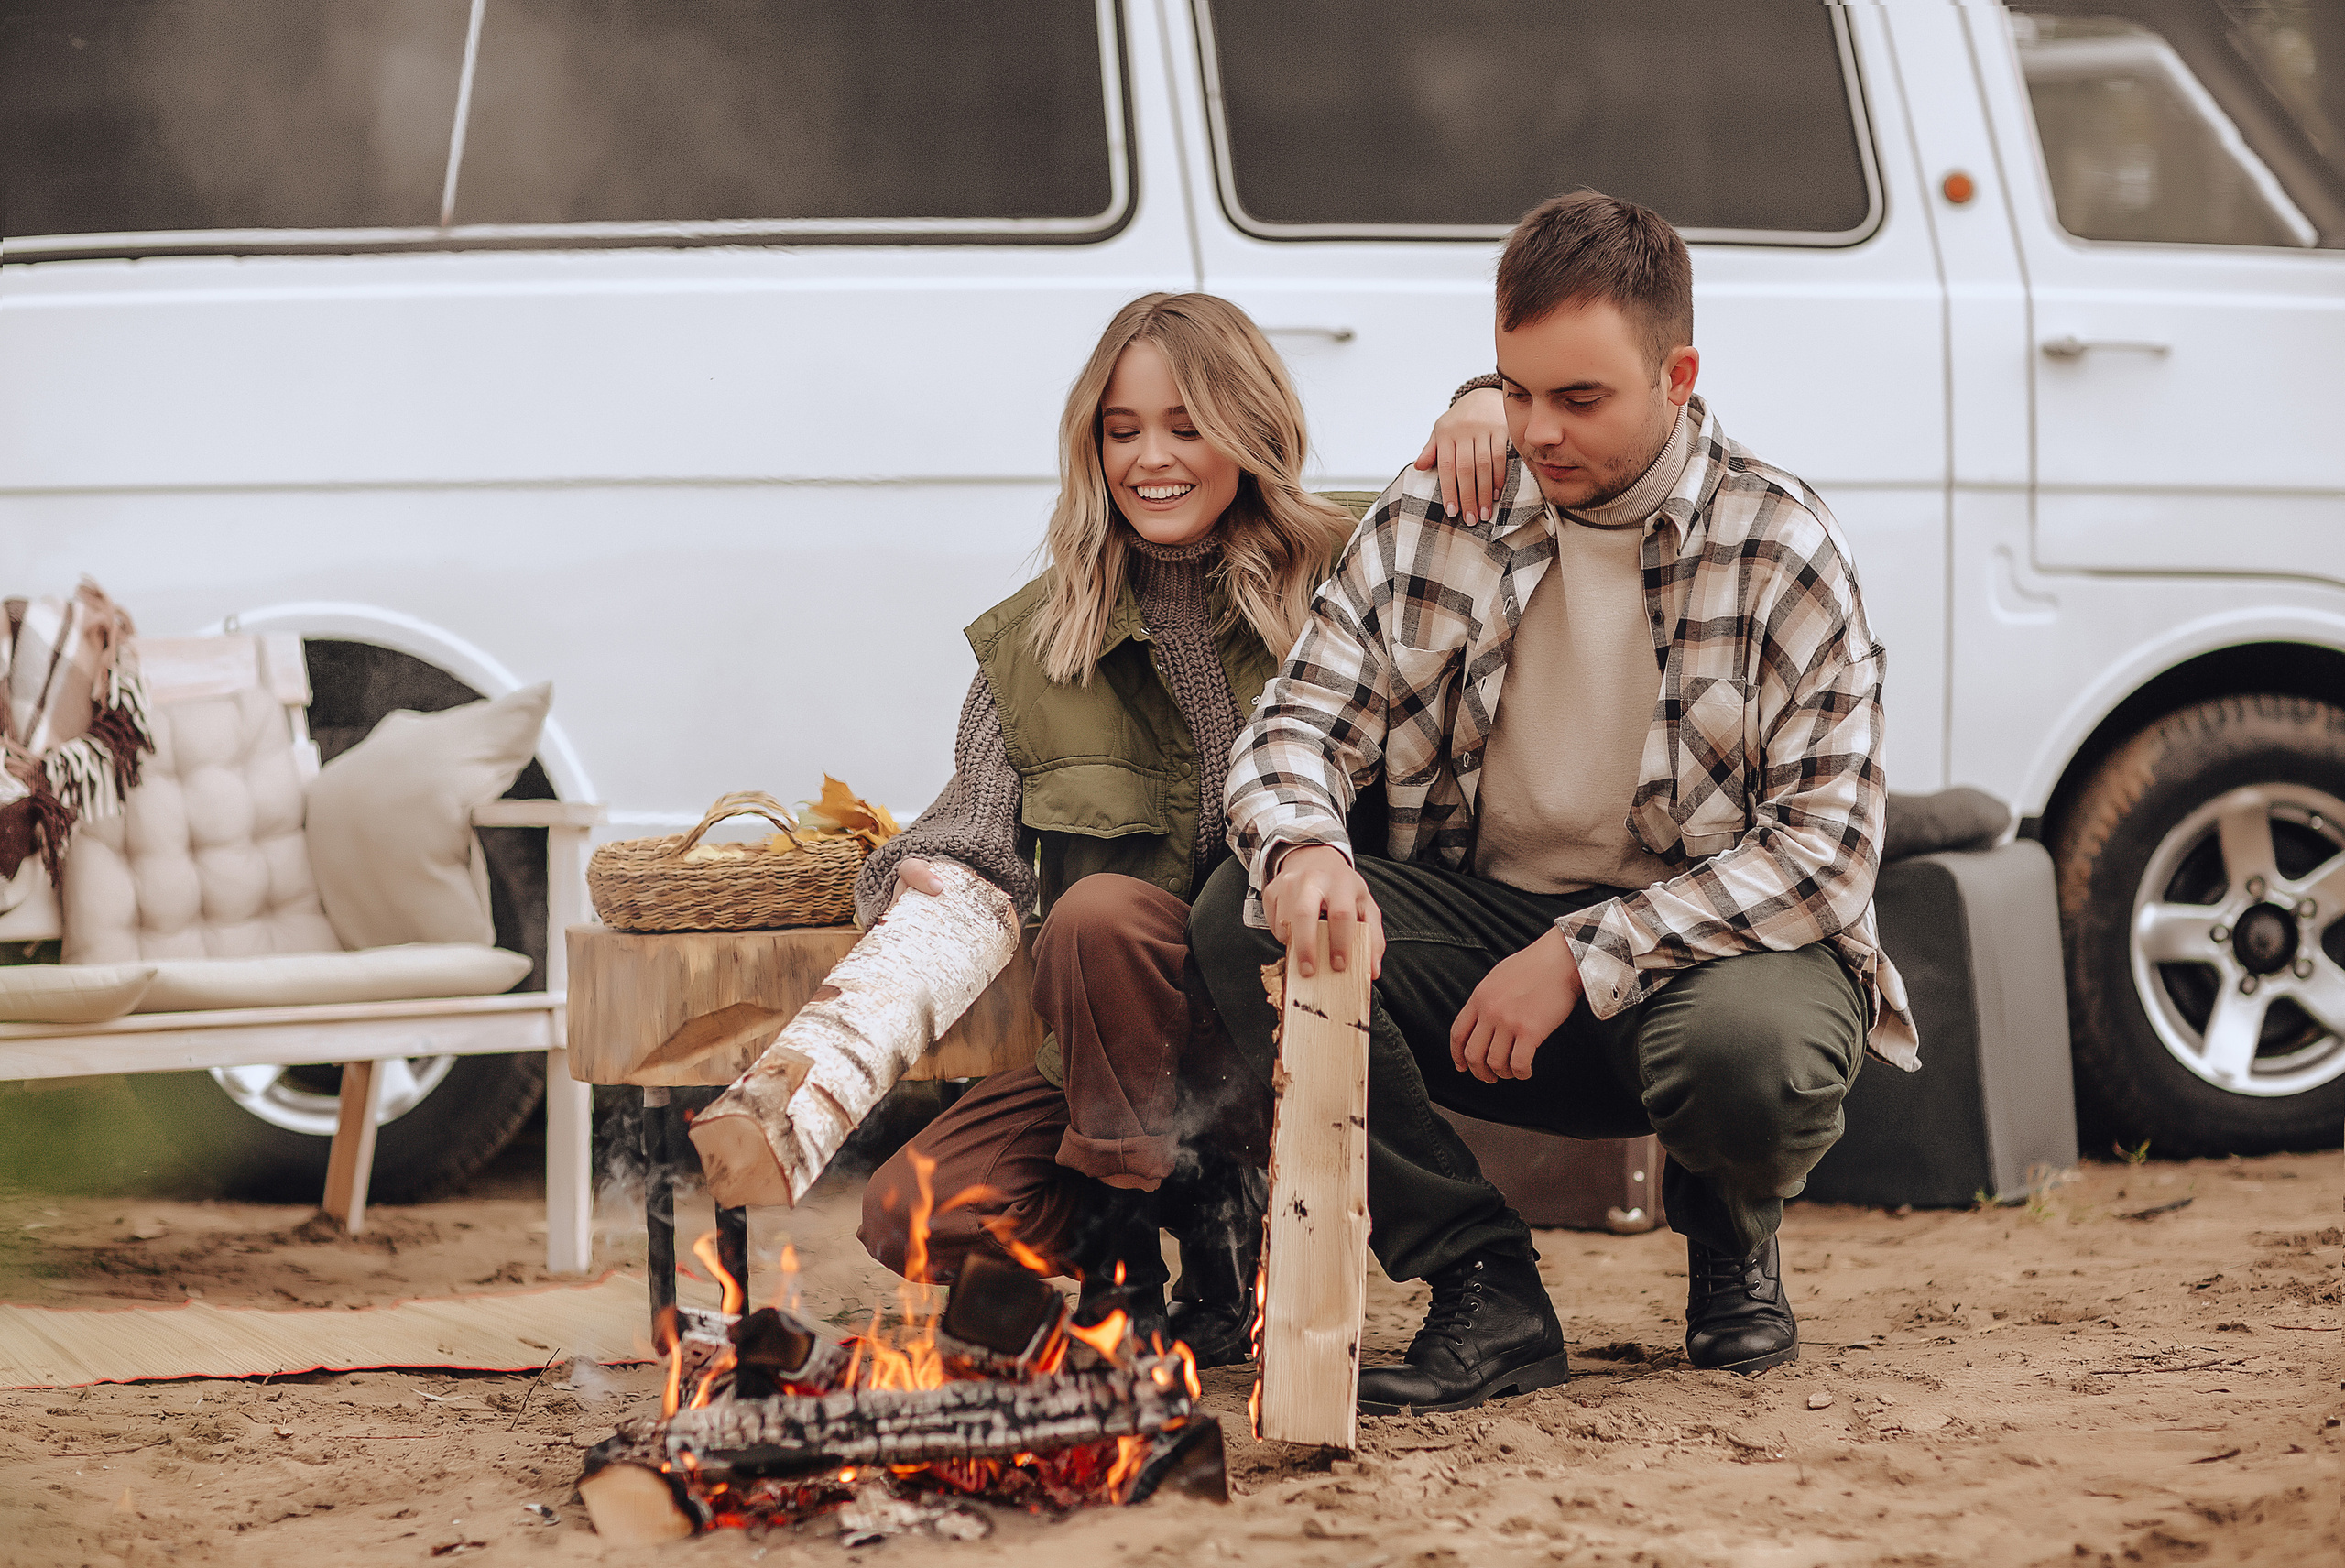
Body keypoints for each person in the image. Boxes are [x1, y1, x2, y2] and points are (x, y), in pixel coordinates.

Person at [1191, 191, 1918, 1413]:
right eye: (1515, 390)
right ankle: (1484, 1289)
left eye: (1581, 399)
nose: (1537, 430)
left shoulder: (1780, 545)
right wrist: (1307, 846)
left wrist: (1588, 951)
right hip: (1479, 944)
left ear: (1678, 376)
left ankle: (1729, 1221)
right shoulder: (1444, 506)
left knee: (1750, 1059)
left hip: (1700, 969)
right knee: (1247, 916)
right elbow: (1297, 724)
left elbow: (1826, 856)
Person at [855, 292, 1358, 1367]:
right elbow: (971, 834)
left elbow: (1517, 507)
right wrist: (921, 879)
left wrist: (1473, 407)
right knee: (911, 1213)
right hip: (1105, 1071)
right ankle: (1135, 1235)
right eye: (1121, 430)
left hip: (1274, 1037)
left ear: (1251, 428)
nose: (1151, 458)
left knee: (1100, 913)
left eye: (1185, 424)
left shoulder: (1344, 576)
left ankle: (1209, 1219)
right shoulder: (1035, 640)